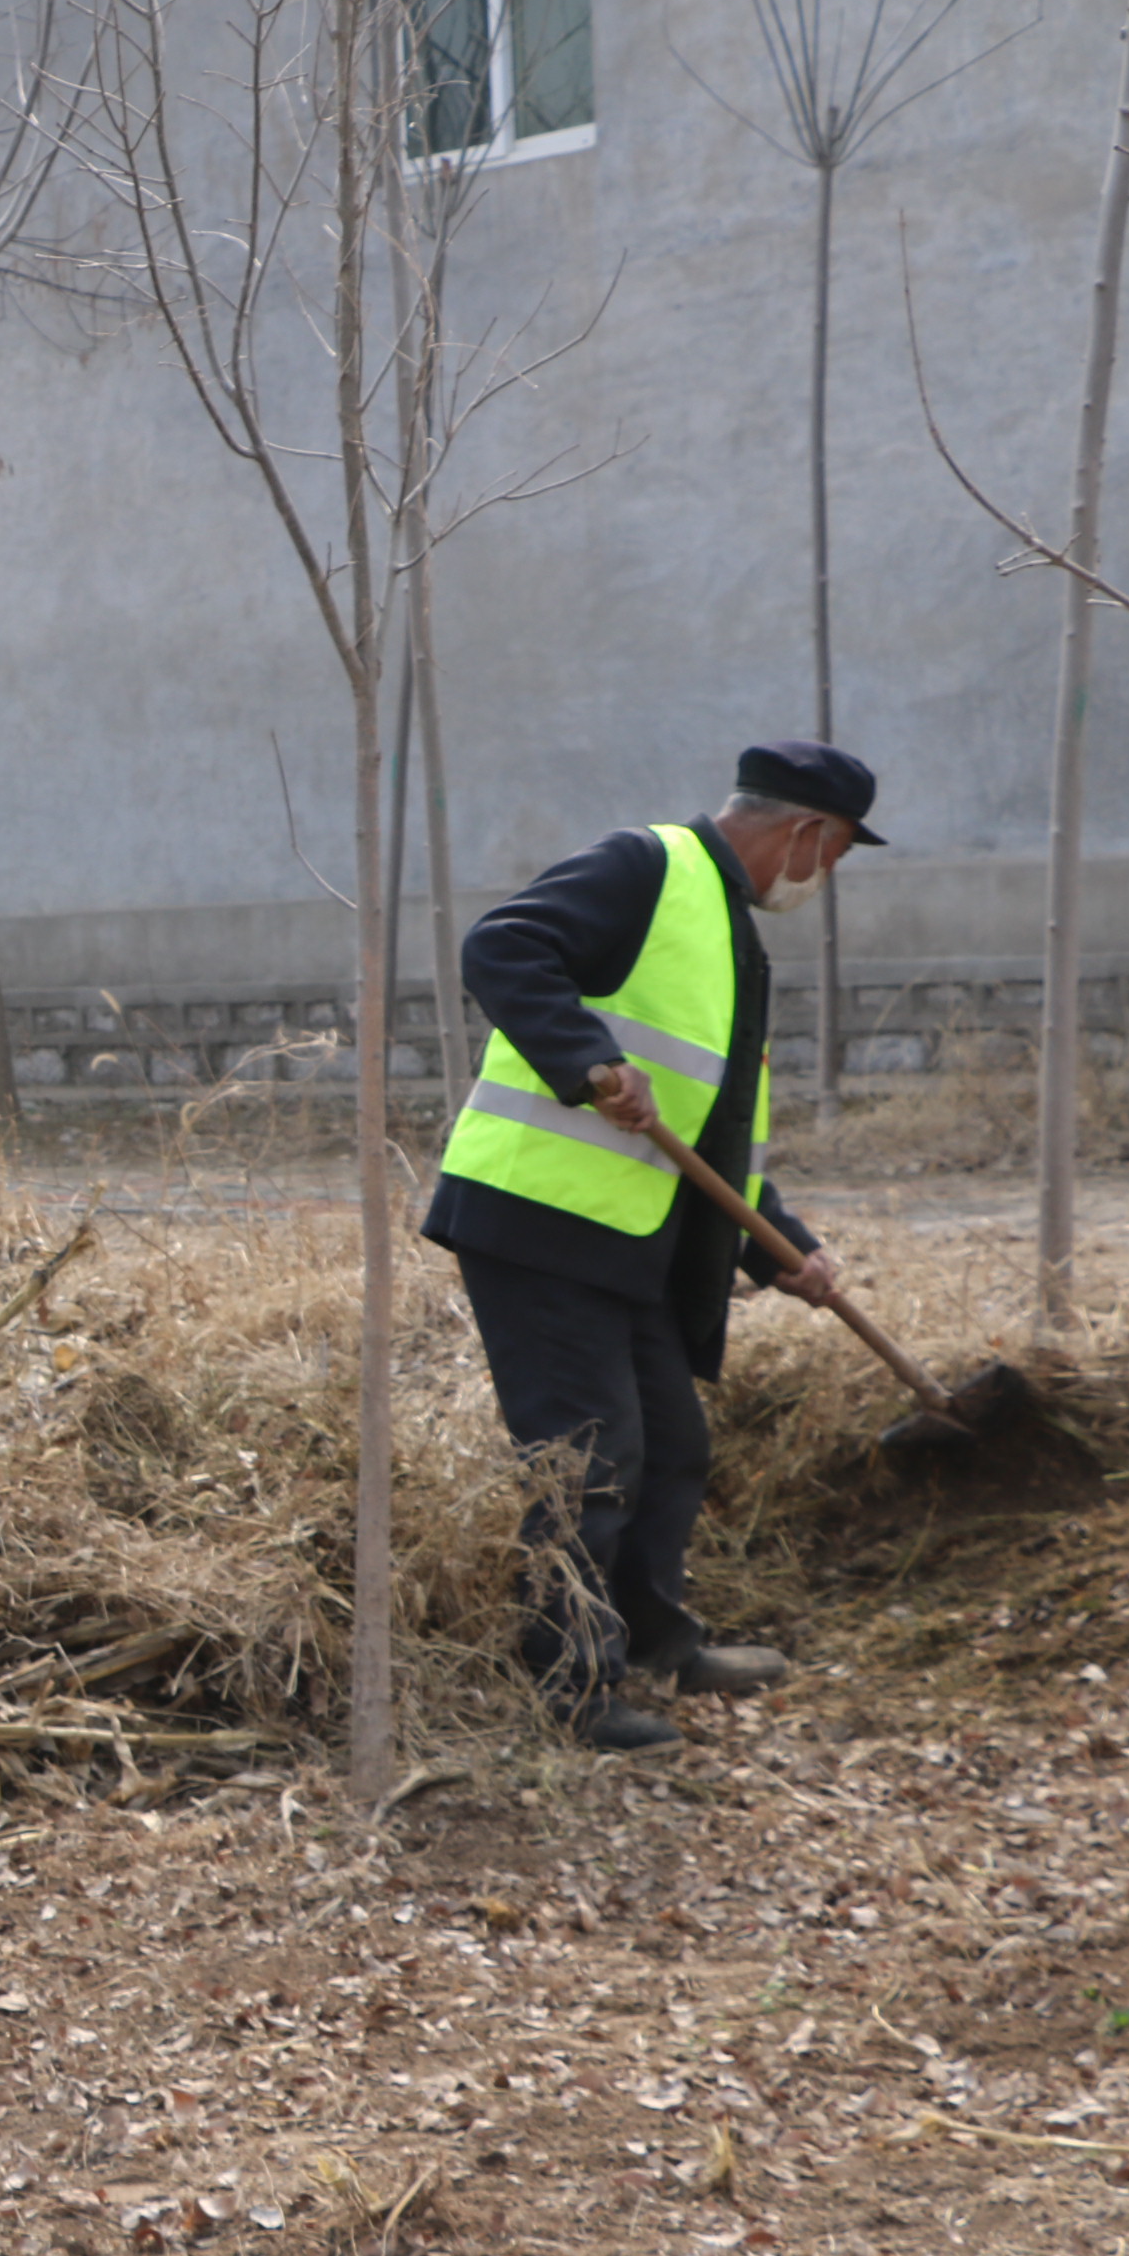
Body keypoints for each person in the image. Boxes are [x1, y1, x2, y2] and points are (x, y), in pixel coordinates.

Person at [421, 742, 884, 1755]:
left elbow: (715, 1143)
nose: (827, 876)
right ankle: (572, 1689)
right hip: (540, 1218)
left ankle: (661, 1643)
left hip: (628, 1235)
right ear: (805, 829)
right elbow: (501, 946)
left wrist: (785, 1252)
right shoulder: (649, 867)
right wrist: (587, 1060)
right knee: (586, 1461)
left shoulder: (730, 934)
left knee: (670, 1445)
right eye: (836, 852)